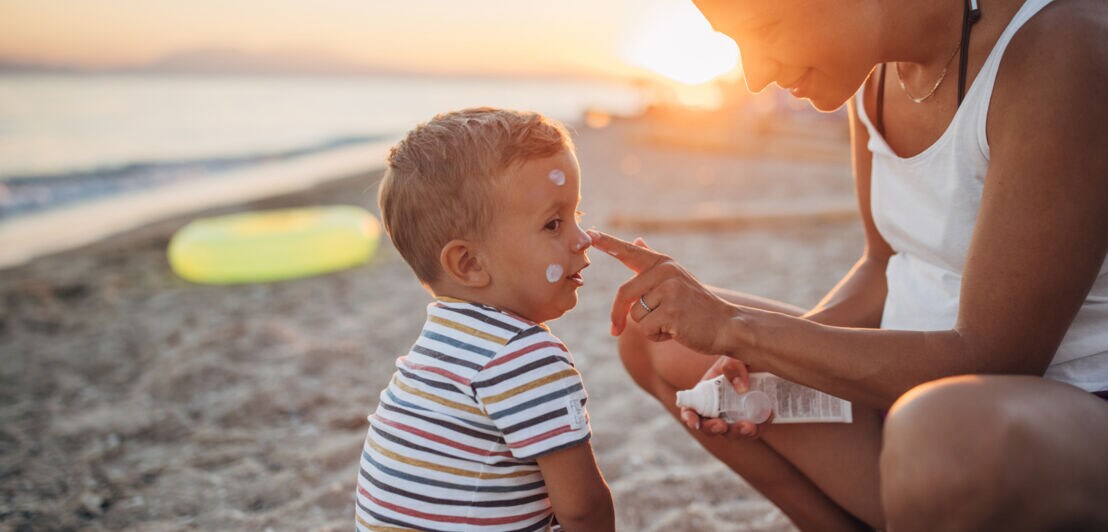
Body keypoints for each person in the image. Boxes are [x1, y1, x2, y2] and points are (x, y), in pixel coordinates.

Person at [588, 0, 1108, 530]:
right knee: (661, 340)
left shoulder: (1059, 47)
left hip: (1039, 427)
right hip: (902, 399)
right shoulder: (876, 73)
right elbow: (882, 264)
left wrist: (742, 332)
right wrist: (773, 349)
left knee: (935, 433)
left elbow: (991, 358)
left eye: (765, 29)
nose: (754, 76)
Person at [355, 107, 613, 531]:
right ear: (470, 263)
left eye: (575, 217)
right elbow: (583, 508)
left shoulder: (439, 345)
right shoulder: (526, 355)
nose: (581, 239)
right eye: (553, 224)